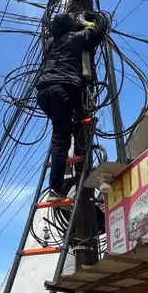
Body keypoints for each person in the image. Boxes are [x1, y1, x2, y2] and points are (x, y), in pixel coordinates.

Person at [37, 11, 108, 198]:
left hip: (43, 94)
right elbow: (98, 30)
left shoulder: (50, 44)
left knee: (62, 129)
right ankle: (55, 189)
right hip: (63, 89)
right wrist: (87, 20)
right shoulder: (76, 38)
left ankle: (73, 127)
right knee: (61, 140)